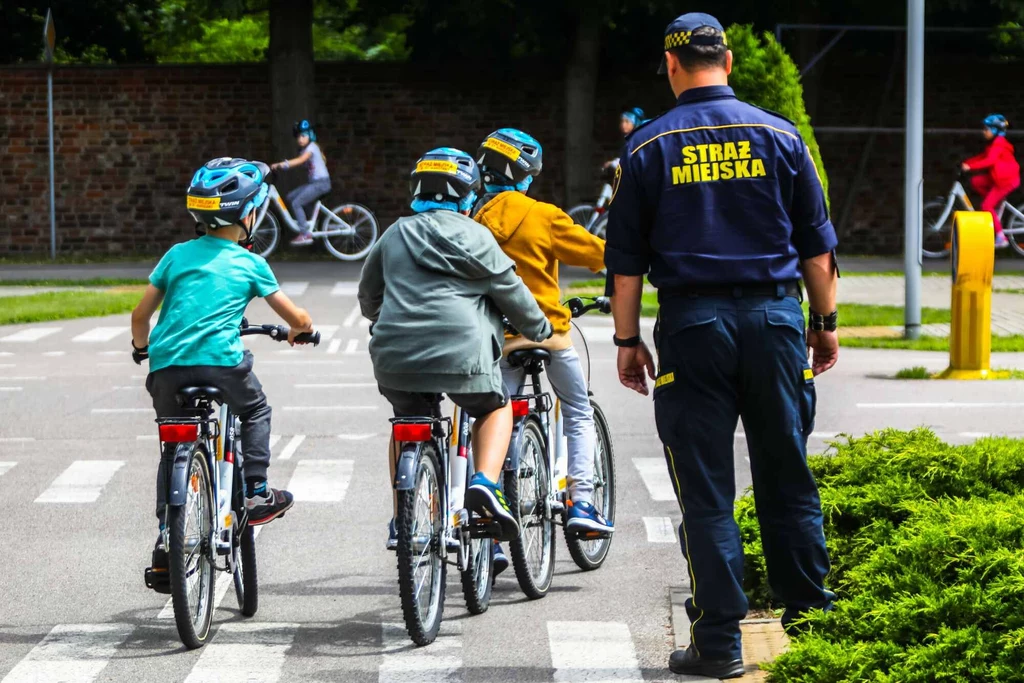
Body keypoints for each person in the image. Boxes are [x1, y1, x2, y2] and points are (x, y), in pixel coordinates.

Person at [605, 13, 839, 679]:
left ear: (673, 67)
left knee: (707, 492)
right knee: (787, 476)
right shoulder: (780, 134)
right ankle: (815, 623)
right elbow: (818, 252)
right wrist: (823, 323)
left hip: (693, 329)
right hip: (774, 323)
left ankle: (720, 644)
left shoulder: (646, 149)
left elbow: (624, 266)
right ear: (729, 61)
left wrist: (627, 341)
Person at [132, 157, 312, 593]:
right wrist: (299, 331)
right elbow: (296, 316)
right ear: (249, 215)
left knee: (173, 441)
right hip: (222, 363)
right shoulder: (250, 263)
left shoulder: (176, 256)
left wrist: (142, 349)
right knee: (255, 409)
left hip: (167, 367)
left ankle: (166, 536)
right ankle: (255, 490)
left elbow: (141, 315)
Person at [358, 147, 552, 548]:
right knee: (494, 407)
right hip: (464, 357)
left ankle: (403, 517)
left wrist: (384, 316)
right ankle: (484, 484)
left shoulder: (395, 233)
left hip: (395, 359)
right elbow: (512, 293)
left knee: (407, 423)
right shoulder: (478, 236)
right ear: (469, 196)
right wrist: (539, 327)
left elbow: (368, 297)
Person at [473, 128, 613, 541]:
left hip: (500, 340)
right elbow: (596, 254)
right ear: (524, 175)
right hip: (549, 334)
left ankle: (491, 508)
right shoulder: (544, 215)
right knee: (577, 408)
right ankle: (582, 501)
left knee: (493, 413)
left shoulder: (475, 221)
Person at [962, 114, 1020, 249]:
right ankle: (996, 203)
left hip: (1005, 181)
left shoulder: (999, 144)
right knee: (976, 181)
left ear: (995, 131)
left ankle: (1001, 237)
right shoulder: (994, 144)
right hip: (997, 178)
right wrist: (966, 163)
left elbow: (989, 161)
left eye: (986, 129)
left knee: (986, 206)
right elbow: (982, 156)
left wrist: (970, 167)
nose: (984, 131)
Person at [271, 119, 332, 246]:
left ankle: (305, 234)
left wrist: (282, 164)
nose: (300, 139)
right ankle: (309, 221)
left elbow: (300, 161)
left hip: (321, 184)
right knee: (290, 197)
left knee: (296, 203)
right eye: (298, 136)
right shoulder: (305, 149)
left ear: (310, 135)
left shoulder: (312, 147)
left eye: (303, 136)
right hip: (314, 184)